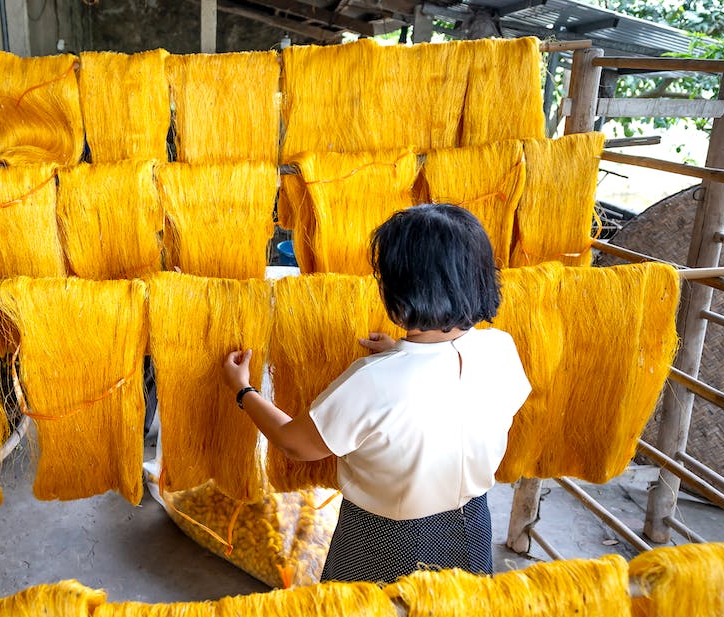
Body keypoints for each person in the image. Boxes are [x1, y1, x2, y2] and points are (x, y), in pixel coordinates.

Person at [220, 203, 531, 583]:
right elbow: (448, 396)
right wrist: (401, 356)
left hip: (385, 541)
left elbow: (295, 444)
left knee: (373, 610)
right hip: (474, 527)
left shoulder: (371, 382)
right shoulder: (501, 348)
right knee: (454, 609)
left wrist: (243, 389)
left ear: (400, 294)